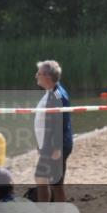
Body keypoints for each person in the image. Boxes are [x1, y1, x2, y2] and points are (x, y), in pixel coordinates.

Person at [33, 60, 69, 203]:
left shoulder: (58, 95)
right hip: (48, 145)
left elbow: (62, 122)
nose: (36, 75)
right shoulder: (50, 93)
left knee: (52, 182)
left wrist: (57, 148)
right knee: (45, 180)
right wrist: (40, 144)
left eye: (39, 73)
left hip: (55, 147)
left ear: (47, 76)